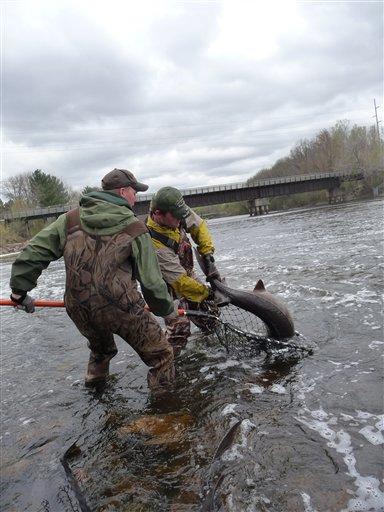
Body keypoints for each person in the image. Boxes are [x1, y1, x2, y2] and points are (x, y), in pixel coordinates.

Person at [10, 169, 178, 388]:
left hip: (79, 309)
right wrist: (168, 312)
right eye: (134, 192)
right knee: (163, 357)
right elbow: (152, 283)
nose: (136, 197)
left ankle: (96, 391)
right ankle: (167, 415)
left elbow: (33, 253)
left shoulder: (69, 220)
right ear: (122, 191)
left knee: (101, 351)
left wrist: (19, 293)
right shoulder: (135, 227)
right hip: (121, 308)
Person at [146, 186, 224, 355]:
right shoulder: (154, 244)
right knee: (180, 329)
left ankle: (212, 349)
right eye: (176, 217)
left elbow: (199, 226)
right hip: (167, 288)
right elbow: (180, 283)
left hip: (187, 275)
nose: (181, 219)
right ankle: (168, 364)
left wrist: (208, 254)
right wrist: (210, 292)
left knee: (210, 314)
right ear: (158, 214)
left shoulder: (176, 210)